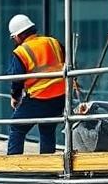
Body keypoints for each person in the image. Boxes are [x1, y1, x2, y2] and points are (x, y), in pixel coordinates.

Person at [5, 14, 66, 155]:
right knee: (47, 130)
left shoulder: (21, 52)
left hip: (39, 97)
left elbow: (17, 78)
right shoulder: (52, 42)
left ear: (19, 35)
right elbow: (65, 62)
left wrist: (15, 97)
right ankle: (47, 166)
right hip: (60, 97)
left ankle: (14, 165)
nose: (14, 40)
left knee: (17, 127)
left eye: (13, 37)